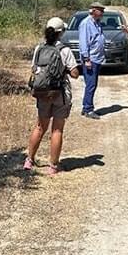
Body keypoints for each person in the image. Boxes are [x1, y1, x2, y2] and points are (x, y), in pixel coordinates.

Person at [24, 16, 81, 176]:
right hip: (59, 94)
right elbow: (75, 73)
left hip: (42, 93)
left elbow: (34, 69)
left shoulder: (39, 48)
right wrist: (69, 70)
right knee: (57, 130)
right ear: (61, 32)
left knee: (40, 127)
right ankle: (53, 166)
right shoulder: (65, 50)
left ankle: (29, 160)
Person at [78, 2, 106, 119]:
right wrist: (86, 59)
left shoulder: (97, 23)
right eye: (100, 10)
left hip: (97, 59)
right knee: (91, 84)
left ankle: (86, 108)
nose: (102, 13)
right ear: (93, 11)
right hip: (91, 59)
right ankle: (88, 109)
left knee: (92, 84)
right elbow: (83, 42)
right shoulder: (86, 24)